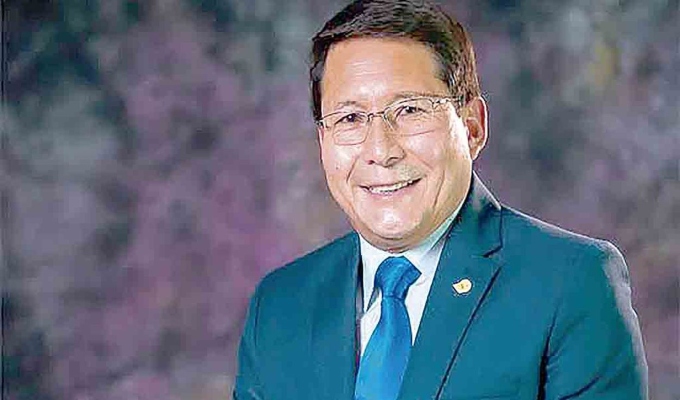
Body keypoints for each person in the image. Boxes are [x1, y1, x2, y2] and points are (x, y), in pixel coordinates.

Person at [233, 0, 648, 399]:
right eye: (350, 118)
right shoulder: (280, 305)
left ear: (472, 127)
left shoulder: (571, 284)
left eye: (410, 110)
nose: (380, 150)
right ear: (323, 141)